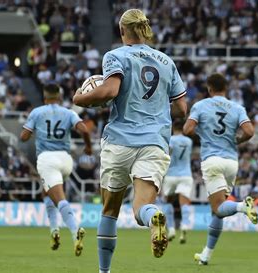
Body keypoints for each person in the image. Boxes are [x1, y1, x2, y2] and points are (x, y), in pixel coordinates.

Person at [72, 8, 187, 273]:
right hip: (155, 142)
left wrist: (81, 99)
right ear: (144, 30)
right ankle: (153, 217)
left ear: (122, 31)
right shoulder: (167, 61)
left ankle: (104, 271)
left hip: (120, 141)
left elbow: (110, 90)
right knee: (141, 208)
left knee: (110, 210)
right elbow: (181, 109)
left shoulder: (115, 56)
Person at [183, 73, 258, 265]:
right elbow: (249, 131)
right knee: (218, 210)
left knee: (218, 207)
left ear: (209, 88)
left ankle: (242, 206)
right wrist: (238, 140)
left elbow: (187, 129)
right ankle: (206, 255)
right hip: (231, 162)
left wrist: (202, 134)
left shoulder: (200, 105)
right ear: (226, 89)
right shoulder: (237, 107)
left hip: (212, 160)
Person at [20, 83, 92, 256]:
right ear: (59, 98)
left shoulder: (37, 112)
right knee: (46, 193)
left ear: (45, 98)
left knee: (59, 198)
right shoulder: (69, 113)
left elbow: (23, 137)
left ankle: (75, 232)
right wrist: (88, 147)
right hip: (66, 160)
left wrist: (31, 131)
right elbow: (84, 130)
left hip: (47, 159)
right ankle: (54, 231)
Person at [162, 119, 193, 244]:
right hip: (186, 174)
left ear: (173, 128)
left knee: (168, 201)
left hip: (171, 175)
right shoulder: (189, 142)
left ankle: (171, 229)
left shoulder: (170, 140)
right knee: (184, 203)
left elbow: (167, 155)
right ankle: (185, 225)